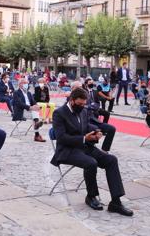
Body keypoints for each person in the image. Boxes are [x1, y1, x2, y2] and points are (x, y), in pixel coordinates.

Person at [51, 88, 133, 216]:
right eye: (80, 104)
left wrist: (96, 131)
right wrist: (84, 138)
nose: (83, 106)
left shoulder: (82, 110)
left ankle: (116, 202)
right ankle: (91, 196)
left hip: (84, 147)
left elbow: (86, 126)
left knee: (111, 160)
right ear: (72, 101)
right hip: (67, 150)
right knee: (91, 163)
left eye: (84, 104)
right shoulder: (59, 113)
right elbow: (61, 138)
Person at [82, 78, 116, 151]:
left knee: (111, 127)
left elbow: (97, 103)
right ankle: (90, 149)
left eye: (92, 82)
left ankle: (105, 149)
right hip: (86, 119)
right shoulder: (83, 93)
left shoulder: (94, 92)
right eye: (90, 83)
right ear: (85, 84)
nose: (91, 84)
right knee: (94, 128)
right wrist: (89, 107)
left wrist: (94, 106)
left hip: (94, 114)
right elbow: (84, 105)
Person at [12, 78, 45, 142]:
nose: (26, 84)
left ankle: (37, 133)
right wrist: (30, 107)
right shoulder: (16, 93)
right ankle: (37, 134)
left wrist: (36, 105)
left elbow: (33, 101)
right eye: (25, 83)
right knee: (34, 113)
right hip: (21, 111)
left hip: (30, 111)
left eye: (27, 83)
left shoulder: (29, 93)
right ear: (20, 84)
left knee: (35, 112)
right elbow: (19, 104)